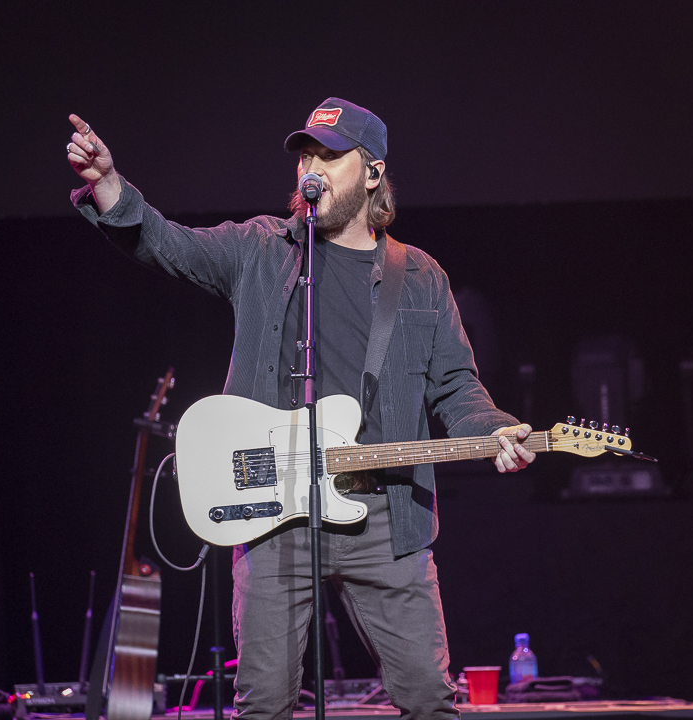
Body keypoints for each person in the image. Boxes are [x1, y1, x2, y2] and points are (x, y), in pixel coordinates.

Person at [67, 97, 536, 719]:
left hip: (384, 515)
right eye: (306, 154)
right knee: (264, 703)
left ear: (372, 173)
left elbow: (456, 384)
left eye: (330, 156)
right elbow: (167, 244)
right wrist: (108, 185)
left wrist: (495, 429)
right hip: (274, 516)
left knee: (429, 699)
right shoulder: (262, 249)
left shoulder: (421, 277)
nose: (311, 167)